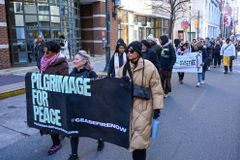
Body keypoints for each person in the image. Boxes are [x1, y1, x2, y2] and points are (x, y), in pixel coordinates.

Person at [117, 41, 164, 160]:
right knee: (133, 139)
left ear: (138, 52)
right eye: (128, 51)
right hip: (128, 108)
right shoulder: (124, 68)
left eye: (132, 51)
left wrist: (157, 108)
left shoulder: (149, 66)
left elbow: (156, 88)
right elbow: (116, 85)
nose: (129, 53)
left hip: (144, 108)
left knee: (140, 141)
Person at [68, 50, 104, 160]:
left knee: (93, 127)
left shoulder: (91, 73)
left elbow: (98, 89)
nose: (74, 61)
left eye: (77, 59)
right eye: (74, 59)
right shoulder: (72, 73)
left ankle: (100, 140)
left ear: (84, 61)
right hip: (75, 108)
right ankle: (74, 155)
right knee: (73, 131)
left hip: (88, 108)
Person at [40, 41, 69, 155]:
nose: (45, 53)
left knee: (55, 119)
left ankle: (56, 143)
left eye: (47, 52)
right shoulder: (44, 61)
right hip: (46, 95)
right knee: (49, 119)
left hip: (57, 97)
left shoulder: (62, 64)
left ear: (55, 52)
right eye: (44, 51)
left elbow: (64, 82)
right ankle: (59, 135)